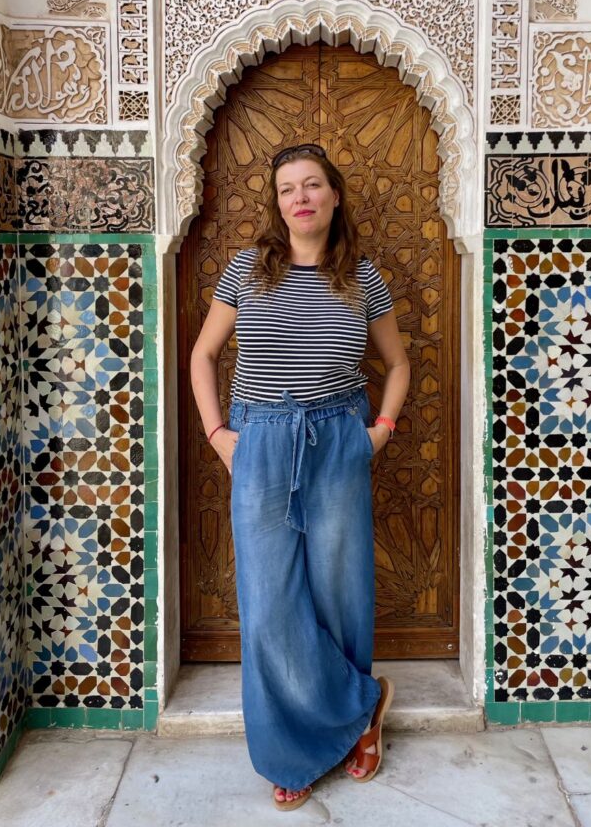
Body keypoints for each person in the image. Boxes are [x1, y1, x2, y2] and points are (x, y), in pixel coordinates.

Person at [190, 142, 411, 811]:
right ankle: (305, 738)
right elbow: (203, 354)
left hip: (339, 438)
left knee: (340, 593)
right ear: (278, 204)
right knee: (268, 604)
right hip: (259, 440)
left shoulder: (362, 278)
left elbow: (397, 363)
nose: (300, 197)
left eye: (312, 184)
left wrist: (379, 431)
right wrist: (218, 436)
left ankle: (357, 724)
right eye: (287, 188)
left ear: (334, 196)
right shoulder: (247, 269)